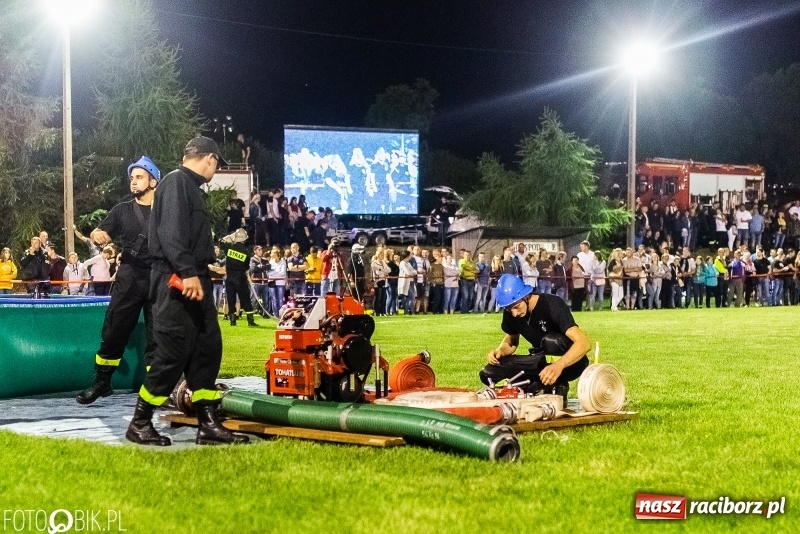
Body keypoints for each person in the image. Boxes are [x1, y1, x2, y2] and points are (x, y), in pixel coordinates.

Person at [127, 136, 248, 446]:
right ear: (210, 158)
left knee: (207, 348)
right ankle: (140, 423)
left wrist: (203, 268)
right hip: (176, 281)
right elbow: (171, 234)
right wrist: (188, 271)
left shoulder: (188, 187)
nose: (215, 170)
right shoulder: (177, 182)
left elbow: (184, 237)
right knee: (173, 352)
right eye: (217, 164)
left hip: (193, 277)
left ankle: (207, 424)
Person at [77, 156, 162, 404]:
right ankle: (102, 383)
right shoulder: (122, 210)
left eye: (139, 177)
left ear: (153, 181)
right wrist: (97, 234)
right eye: (131, 178)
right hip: (129, 277)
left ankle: (157, 388)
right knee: (114, 330)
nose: (133, 182)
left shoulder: (167, 211)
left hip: (159, 277)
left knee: (159, 336)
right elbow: (99, 231)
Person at [480, 274, 590, 403]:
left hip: (570, 363)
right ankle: (536, 383)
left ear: (526, 296)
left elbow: (584, 343)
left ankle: (556, 382)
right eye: (509, 309)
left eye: (516, 307)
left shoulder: (552, 304)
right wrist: (500, 352)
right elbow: (511, 341)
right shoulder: (511, 312)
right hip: (539, 360)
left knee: (550, 341)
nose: (514, 313)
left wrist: (559, 365)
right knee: (488, 373)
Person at [219, 228, 258, 327]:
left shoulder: (229, 248)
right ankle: (250, 321)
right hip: (240, 278)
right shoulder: (246, 251)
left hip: (229, 277)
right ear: (244, 239)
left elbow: (221, 241)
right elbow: (246, 266)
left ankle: (232, 321)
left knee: (231, 299)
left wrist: (231, 237)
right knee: (245, 299)